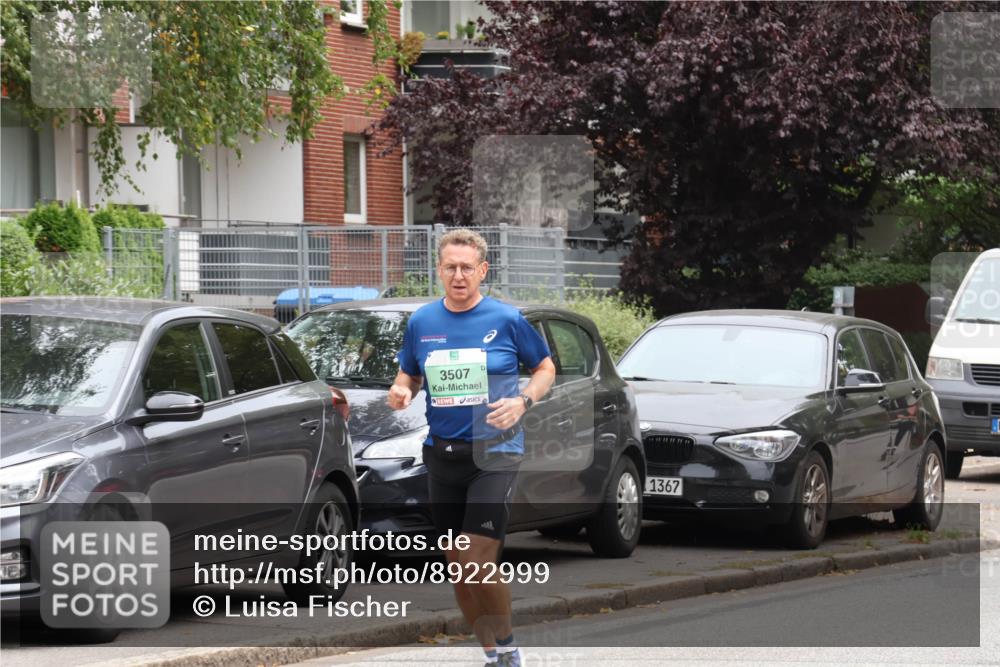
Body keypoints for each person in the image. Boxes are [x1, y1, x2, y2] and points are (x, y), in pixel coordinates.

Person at [388, 229, 556, 667]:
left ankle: (509, 647)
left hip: (495, 453)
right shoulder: (422, 322)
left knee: (476, 554)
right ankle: (490, 653)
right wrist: (401, 390)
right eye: (450, 267)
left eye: (467, 268)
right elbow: (409, 374)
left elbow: (545, 367)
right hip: (442, 453)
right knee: (456, 564)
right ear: (439, 270)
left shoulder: (506, 318)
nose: (459, 275)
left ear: (482, 270)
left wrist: (523, 401)